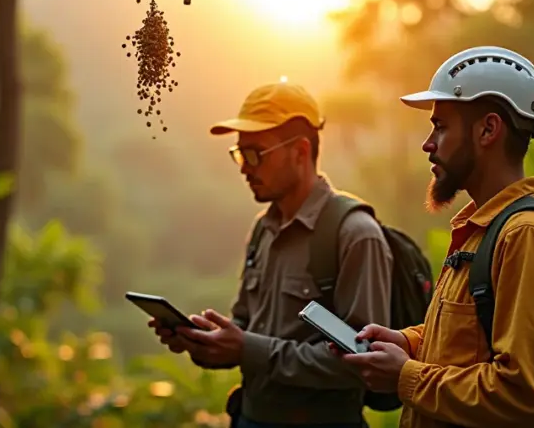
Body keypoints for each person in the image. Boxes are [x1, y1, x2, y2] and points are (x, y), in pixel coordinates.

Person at [336, 46, 534, 428]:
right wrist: (408, 343)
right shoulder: (481, 230)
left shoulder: (528, 238)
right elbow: (473, 339)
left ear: (488, 130)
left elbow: (527, 394)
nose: (428, 143)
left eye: (441, 126)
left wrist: (405, 376)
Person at [149, 82, 395, 428]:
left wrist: (246, 348)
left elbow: (362, 362)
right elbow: (245, 325)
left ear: (299, 151)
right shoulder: (264, 229)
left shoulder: (354, 234)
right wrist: (202, 341)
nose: (244, 168)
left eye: (255, 154)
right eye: (239, 154)